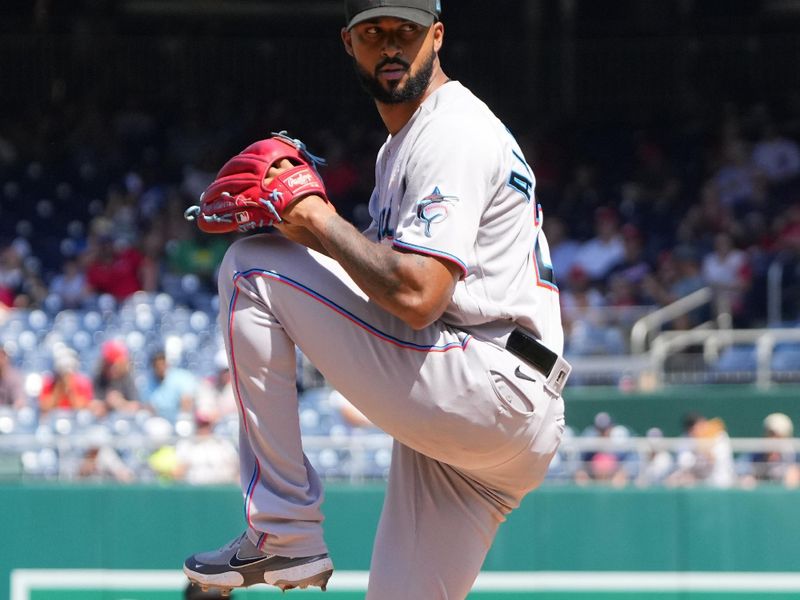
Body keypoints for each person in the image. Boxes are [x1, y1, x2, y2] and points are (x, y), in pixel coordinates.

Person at [183, 1, 570, 598]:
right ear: (349, 43)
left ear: (437, 36)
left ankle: (285, 532)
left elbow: (417, 294)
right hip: (495, 420)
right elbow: (385, 286)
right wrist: (312, 232)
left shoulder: (451, 128)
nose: (390, 46)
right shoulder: (404, 145)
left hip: (485, 376)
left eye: (406, 32)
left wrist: (318, 221)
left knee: (249, 268)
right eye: (374, 33)